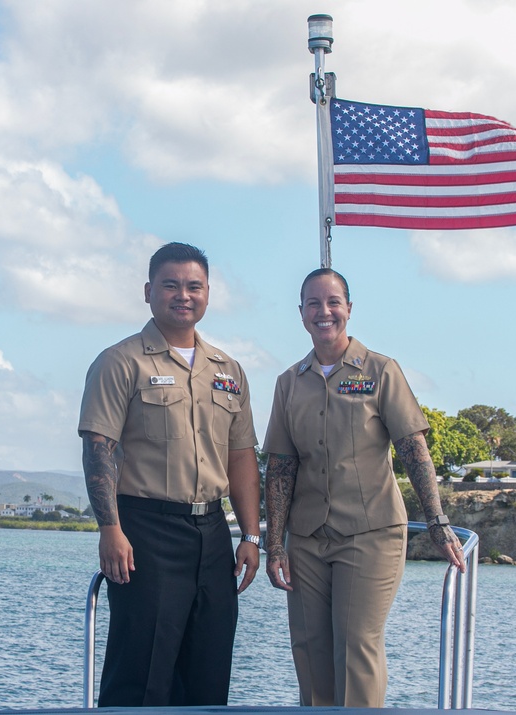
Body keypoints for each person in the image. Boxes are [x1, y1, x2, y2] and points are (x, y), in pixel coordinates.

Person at [263, 267, 466, 708]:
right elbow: (280, 468)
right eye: (313, 303)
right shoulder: (288, 384)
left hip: (370, 535)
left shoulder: (381, 372)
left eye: (333, 302)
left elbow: (414, 450)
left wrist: (437, 521)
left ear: (349, 310)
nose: (324, 312)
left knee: (356, 646)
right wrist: (275, 546)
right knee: (311, 650)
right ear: (301, 314)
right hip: (307, 539)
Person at [78, 242, 261, 707]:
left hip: (213, 532)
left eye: (193, 286)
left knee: (209, 665)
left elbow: (241, 456)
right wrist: (110, 529)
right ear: (148, 291)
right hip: (145, 531)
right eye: (171, 285)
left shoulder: (228, 370)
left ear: (208, 293)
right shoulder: (121, 362)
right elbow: (99, 449)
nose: (183, 295)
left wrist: (252, 537)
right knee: (141, 671)